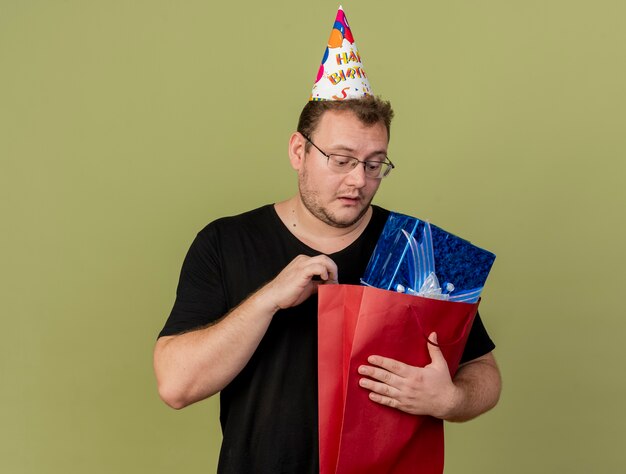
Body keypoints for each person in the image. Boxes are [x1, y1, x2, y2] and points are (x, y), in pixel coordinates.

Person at [154, 7, 501, 474]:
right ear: (299, 151)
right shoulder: (225, 242)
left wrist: (450, 398)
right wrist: (269, 299)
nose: (358, 180)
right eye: (341, 159)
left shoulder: (417, 249)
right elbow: (175, 385)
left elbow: (486, 374)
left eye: (374, 163)